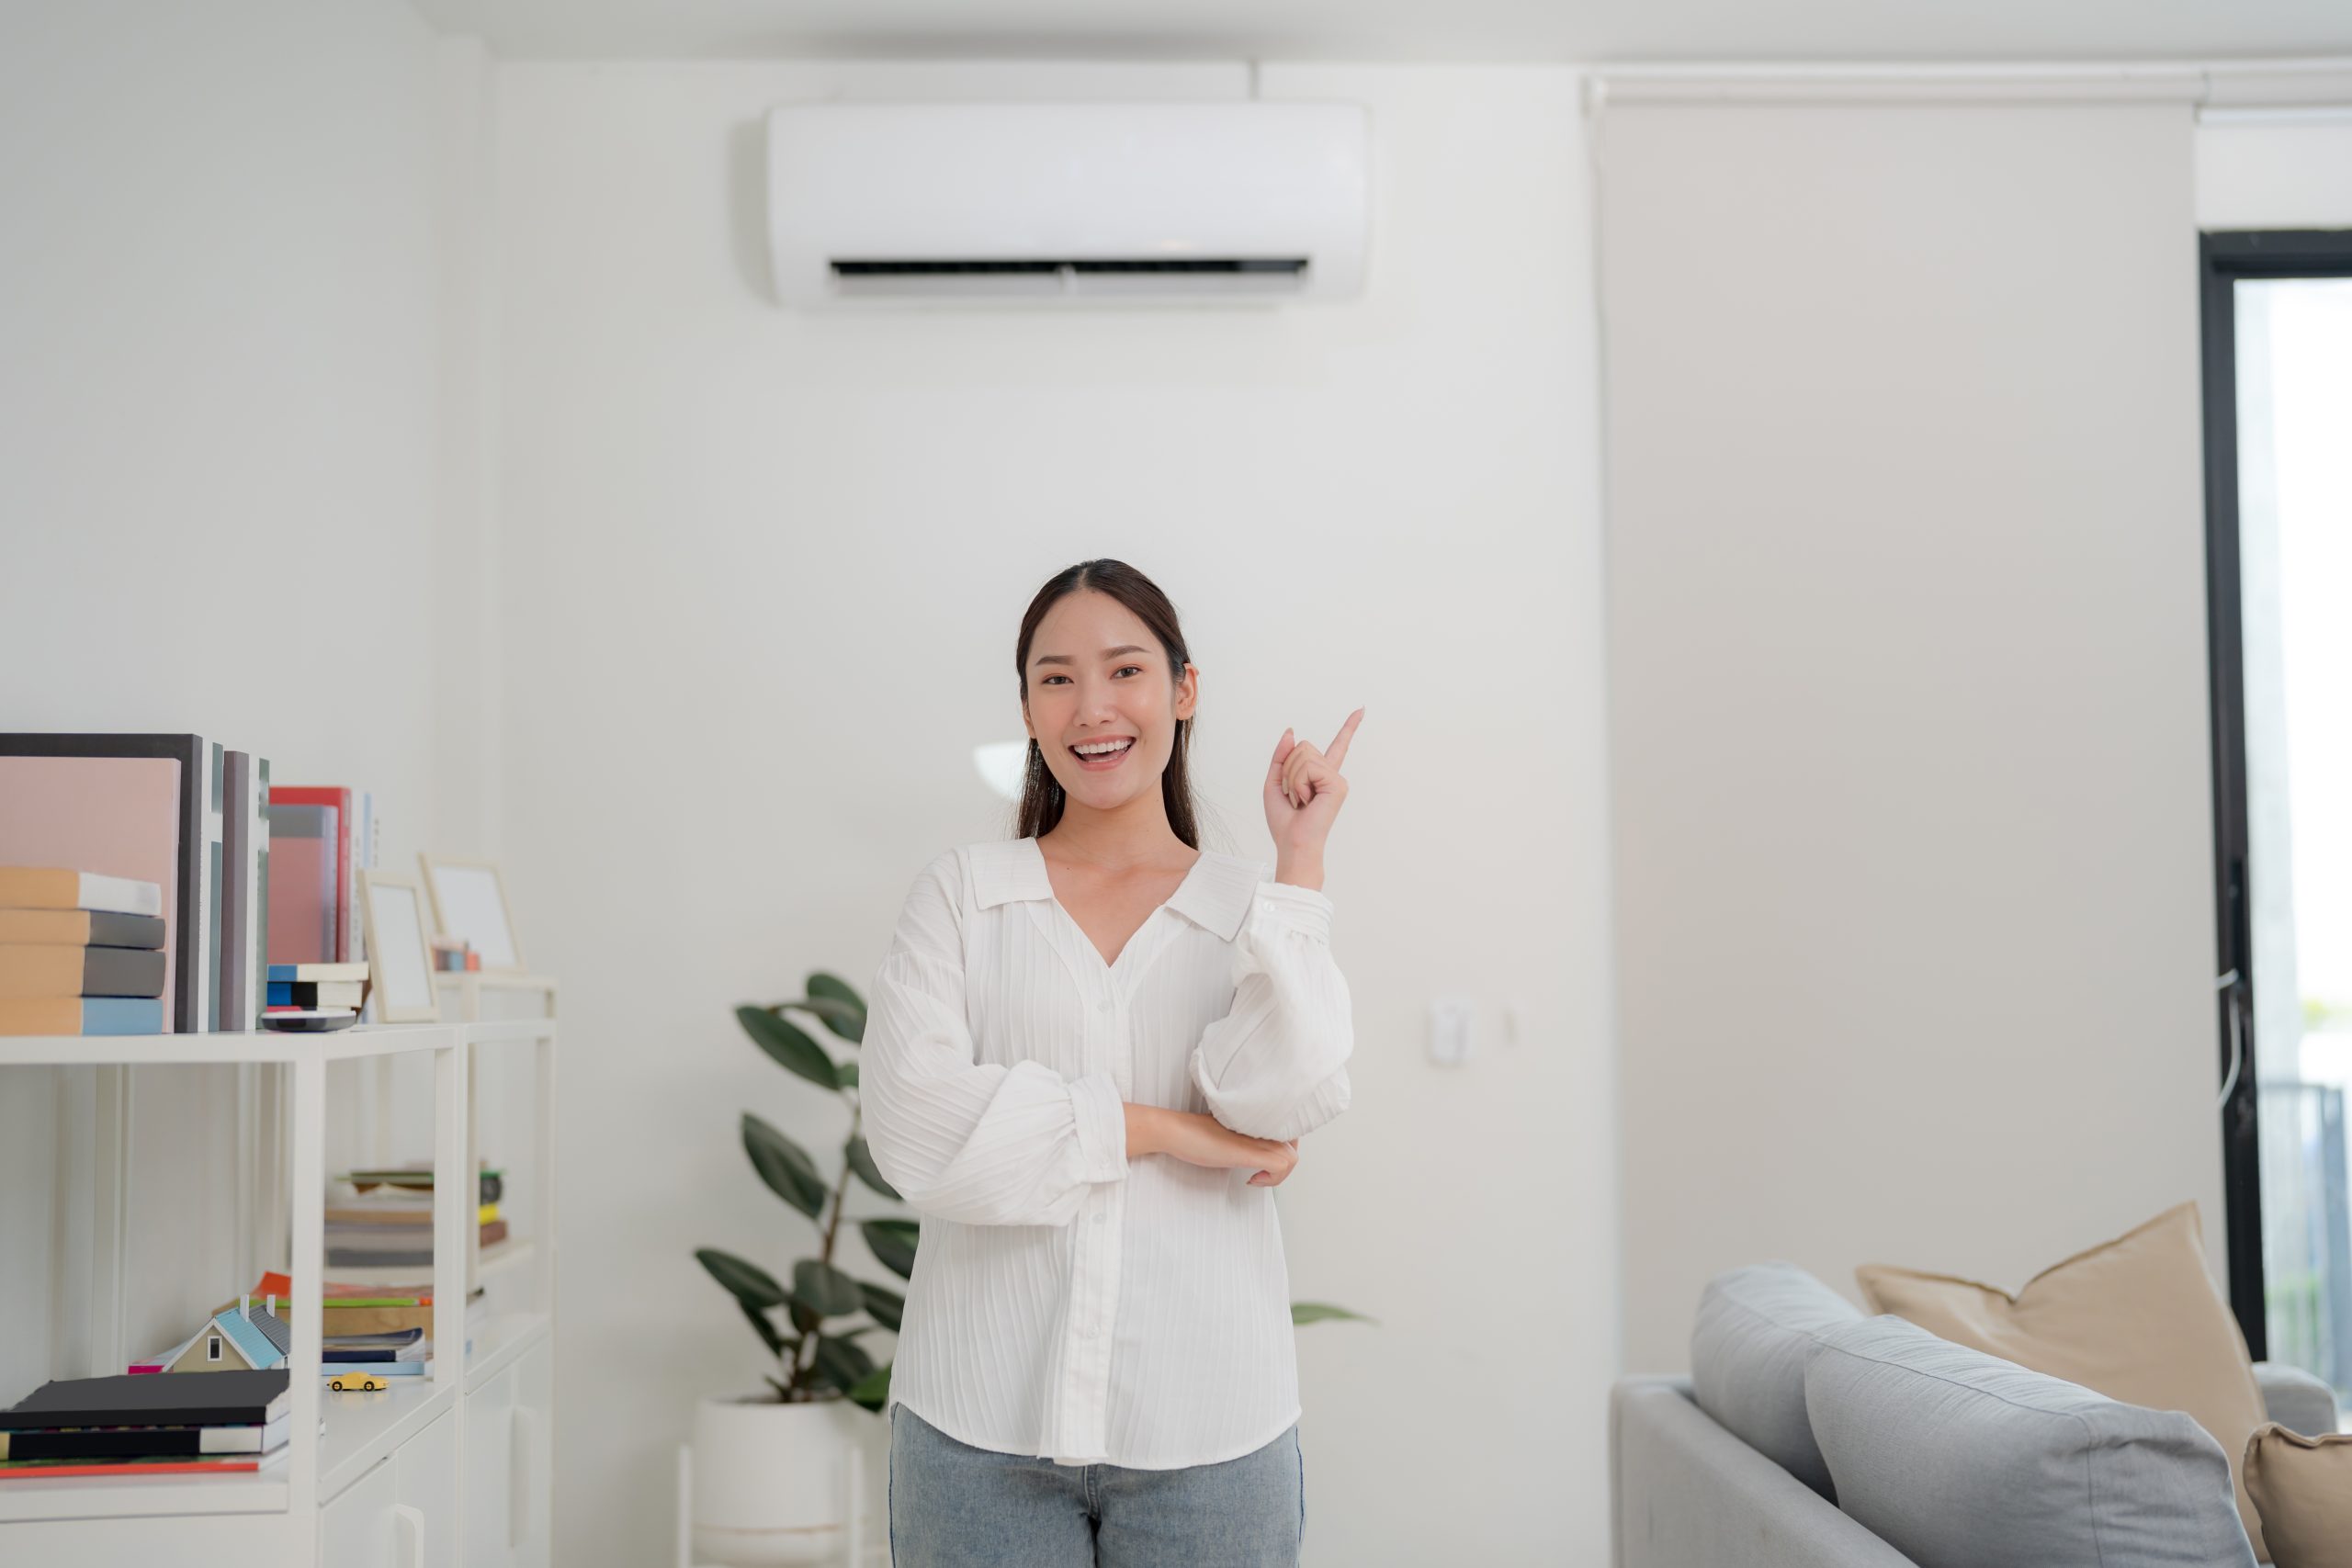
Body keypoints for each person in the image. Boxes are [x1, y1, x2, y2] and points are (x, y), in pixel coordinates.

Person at [861, 558, 1363, 1567]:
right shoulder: (963, 897)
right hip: (976, 1431)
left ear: (1182, 690)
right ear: (1028, 707)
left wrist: (1297, 863)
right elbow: (916, 1129)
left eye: (1125, 670)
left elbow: (1279, 1104)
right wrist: (1169, 1130)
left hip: (1210, 1434)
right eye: (1055, 678)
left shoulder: (1246, 913)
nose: (1092, 706)